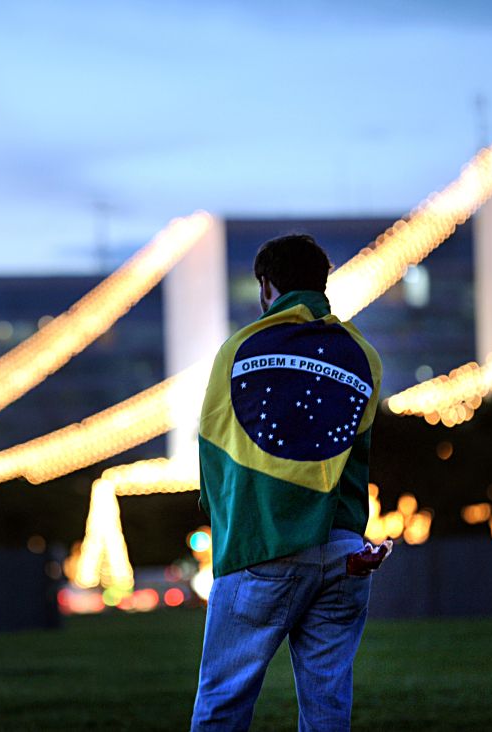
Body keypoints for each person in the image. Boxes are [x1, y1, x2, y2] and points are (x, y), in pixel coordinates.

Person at [190, 233, 384, 731]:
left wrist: (225, 530)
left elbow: (215, 451)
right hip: (344, 552)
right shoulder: (363, 352)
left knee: (222, 706)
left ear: (266, 285)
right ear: (322, 282)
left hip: (263, 547)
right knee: (326, 713)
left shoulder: (238, 349)